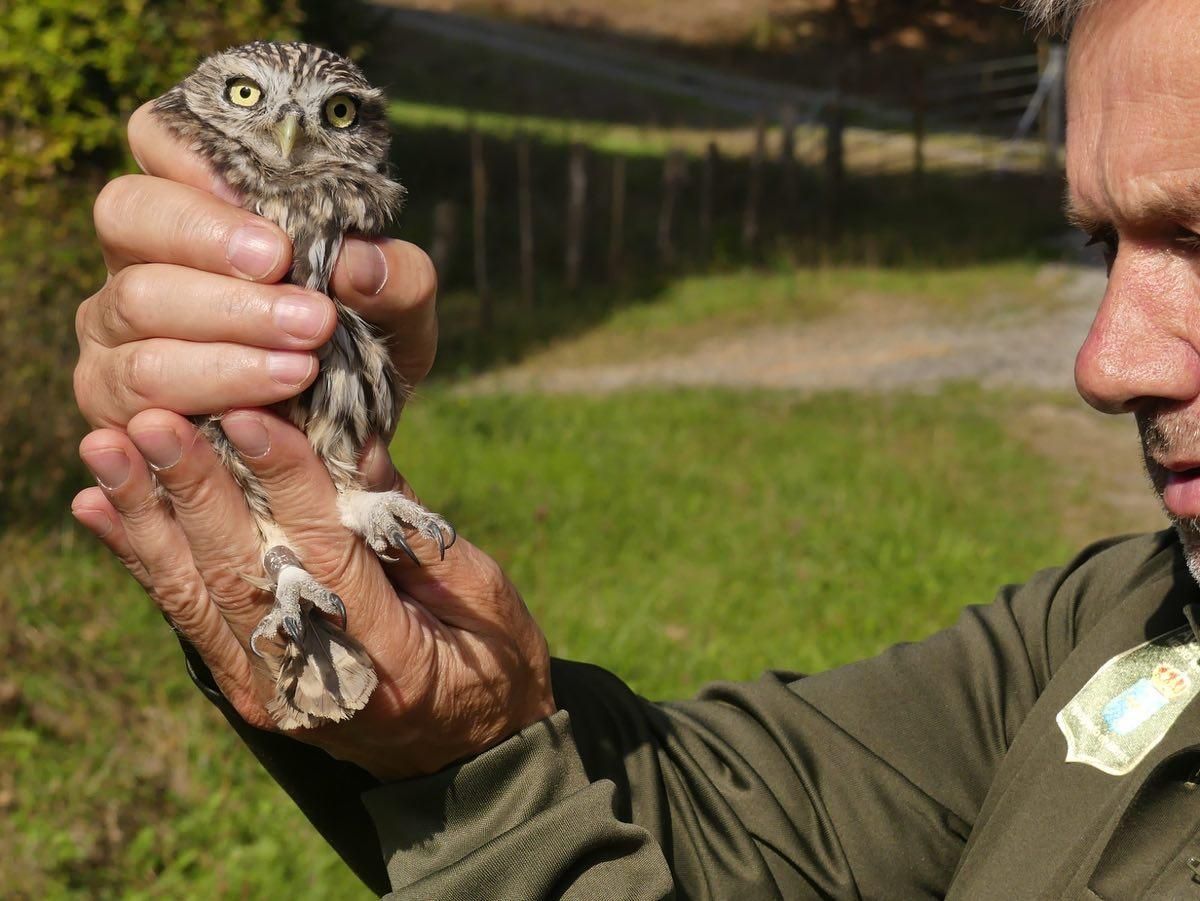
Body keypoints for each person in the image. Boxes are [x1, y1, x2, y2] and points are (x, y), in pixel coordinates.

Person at [69, 0, 1200, 896]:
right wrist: (451, 722)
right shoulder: (1116, 629)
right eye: (1100, 242)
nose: (1105, 361)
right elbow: (731, 828)